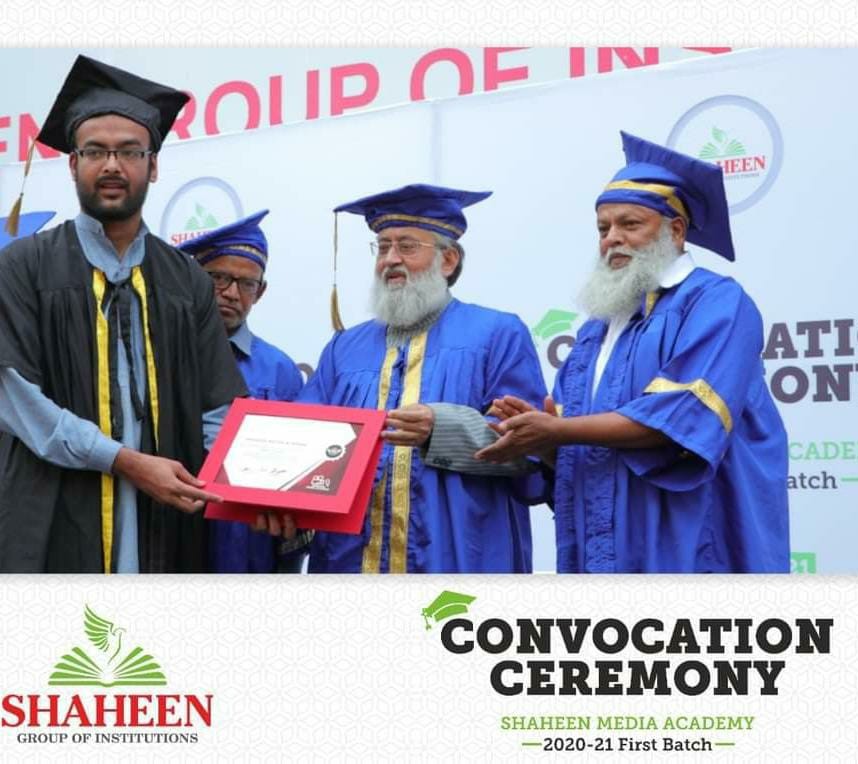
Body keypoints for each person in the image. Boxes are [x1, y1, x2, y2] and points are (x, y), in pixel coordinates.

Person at [476, 132, 790, 573]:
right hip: (601, 544)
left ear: (675, 230)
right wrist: (542, 441)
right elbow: (575, 444)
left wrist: (559, 430)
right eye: (603, 228)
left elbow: (682, 418)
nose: (612, 239)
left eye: (630, 224)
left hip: (690, 536)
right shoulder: (597, 329)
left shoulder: (716, 302)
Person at [0, 55, 247, 573]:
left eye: (130, 151)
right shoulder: (22, 267)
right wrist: (126, 462)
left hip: (167, 522)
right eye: (95, 151)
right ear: (73, 165)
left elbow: (219, 409)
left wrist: (251, 488)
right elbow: (19, 402)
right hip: (52, 514)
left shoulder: (186, 280)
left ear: (152, 166)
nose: (112, 165)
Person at [298, 183, 548, 573]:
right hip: (349, 558)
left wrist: (442, 428)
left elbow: (529, 447)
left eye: (407, 246)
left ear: (448, 260)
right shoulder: (344, 348)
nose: (390, 260)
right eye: (382, 247)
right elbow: (304, 437)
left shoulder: (497, 333)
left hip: (459, 554)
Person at [179, 210, 309, 573]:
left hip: (247, 544)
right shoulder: (158, 354)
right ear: (194, 279)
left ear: (260, 291)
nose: (232, 294)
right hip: (169, 531)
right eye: (218, 278)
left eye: (247, 284)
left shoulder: (279, 370)